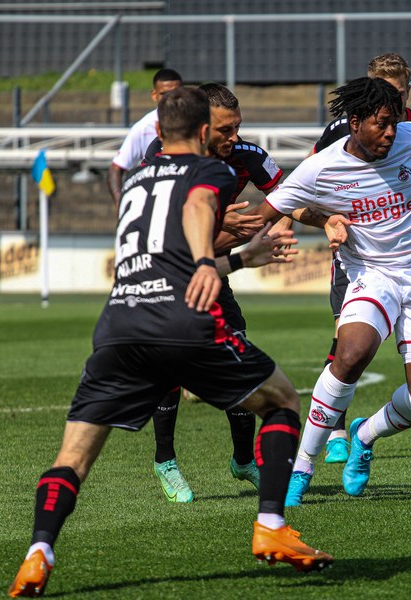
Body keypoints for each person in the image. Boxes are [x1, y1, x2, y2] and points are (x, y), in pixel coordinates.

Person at [8, 87, 331, 598]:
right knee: (283, 401)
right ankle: (271, 524)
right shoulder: (212, 171)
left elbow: (159, 256)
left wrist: (240, 258)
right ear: (203, 131)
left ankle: (38, 553)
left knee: (72, 457)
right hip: (181, 321)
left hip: (119, 326)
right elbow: (199, 206)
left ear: (158, 132)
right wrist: (208, 260)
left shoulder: (135, 179)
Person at [247, 77, 411, 507]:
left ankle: (365, 434)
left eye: (394, 122)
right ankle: (302, 467)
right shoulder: (321, 167)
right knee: (350, 355)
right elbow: (270, 211)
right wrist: (210, 248)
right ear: (355, 123)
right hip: (372, 273)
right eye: (381, 124)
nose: (390, 132)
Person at [311, 53, 411, 464]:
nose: (395, 101)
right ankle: (337, 434)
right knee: (347, 345)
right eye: (386, 92)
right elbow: (310, 181)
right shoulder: (340, 130)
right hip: (360, 257)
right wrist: (327, 221)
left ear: (408, 91)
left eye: (400, 92)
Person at [144, 82, 285, 503]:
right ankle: (165, 460)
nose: (234, 137)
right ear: (202, 126)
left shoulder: (246, 156)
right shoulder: (165, 154)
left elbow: (289, 196)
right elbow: (158, 221)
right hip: (165, 273)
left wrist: (308, 219)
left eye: (238, 126)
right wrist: (223, 226)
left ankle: (243, 460)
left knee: (237, 357)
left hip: (211, 270)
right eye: (226, 129)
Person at [106, 68, 183, 209]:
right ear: (154, 95)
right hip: (154, 204)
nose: (171, 99)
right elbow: (115, 169)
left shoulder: (194, 121)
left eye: (176, 93)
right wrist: (121, 206)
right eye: (165, 94)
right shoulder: (144, 127)